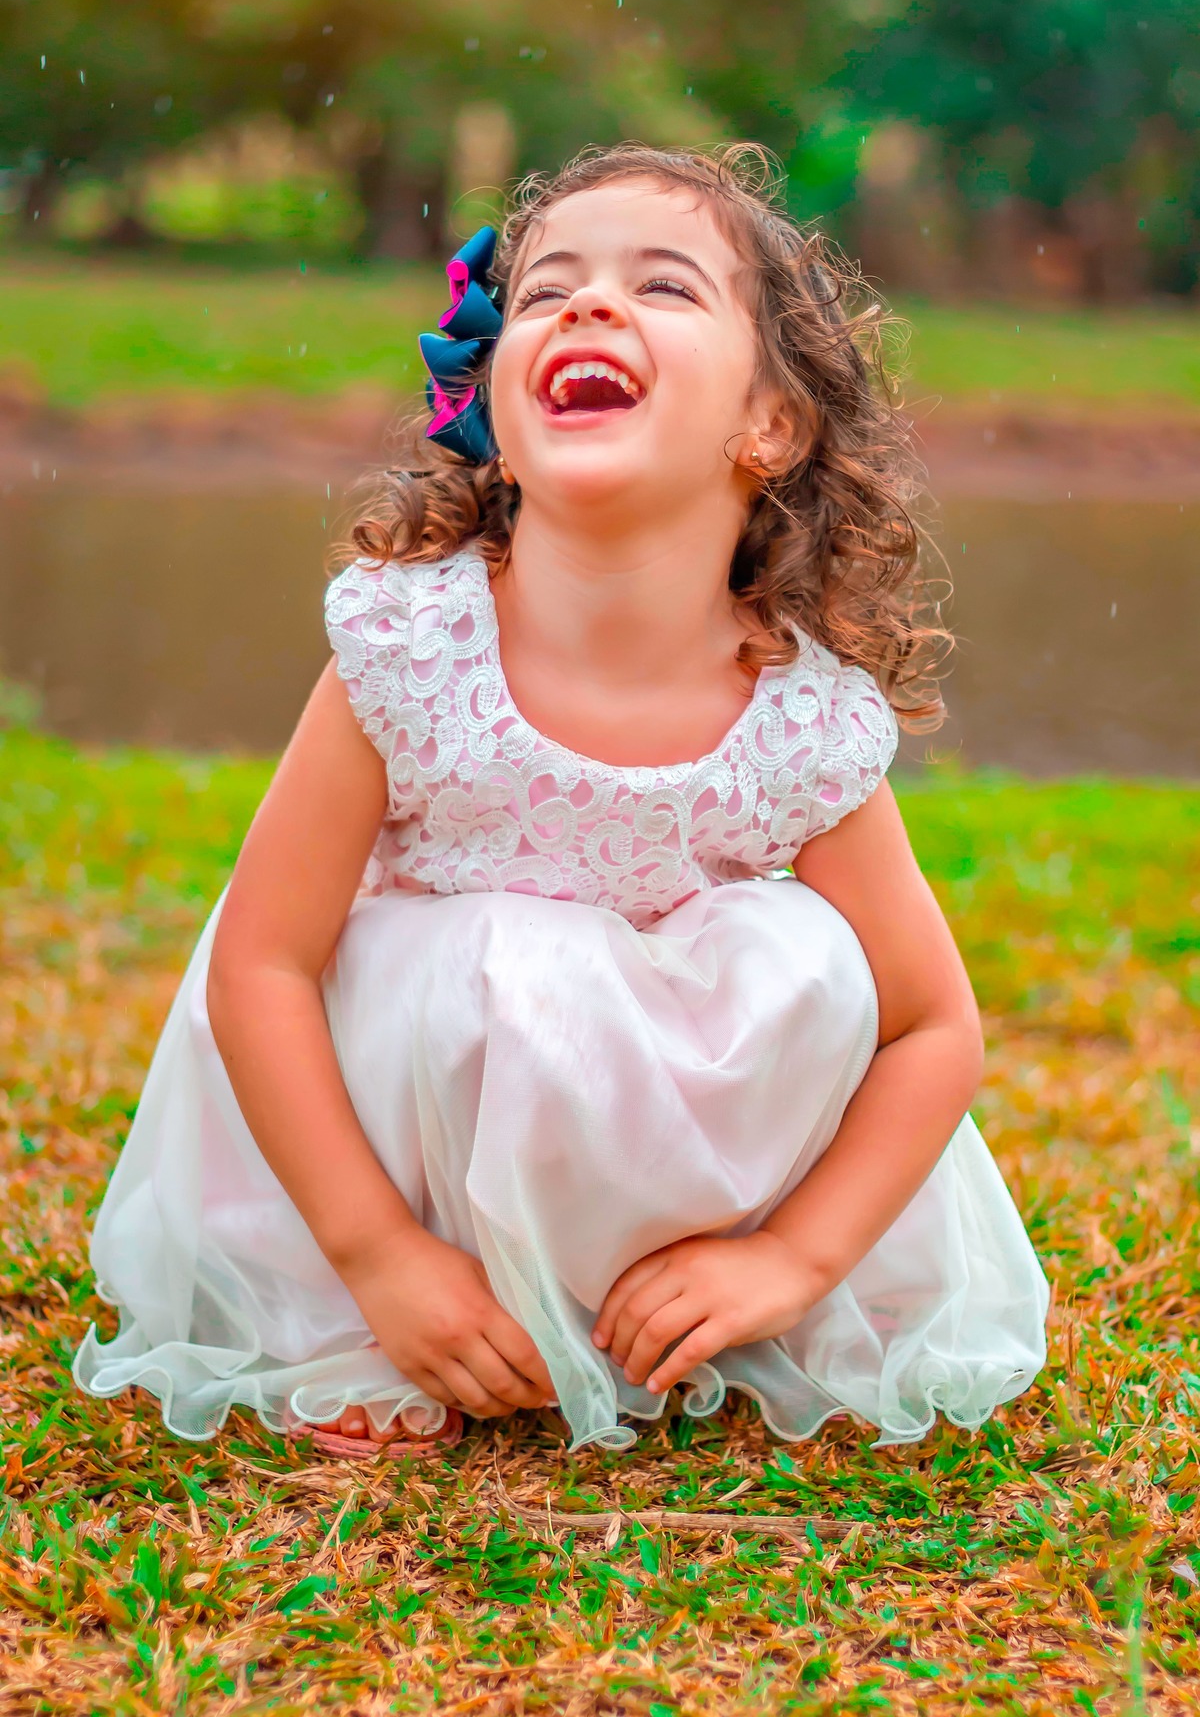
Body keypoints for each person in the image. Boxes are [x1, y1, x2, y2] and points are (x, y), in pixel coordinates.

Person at [74, 142, 1049, 1459]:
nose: (587, 308)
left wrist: (797, 1263)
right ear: (498, 415)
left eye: (663, 286)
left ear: (770, 424)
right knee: (479, 958)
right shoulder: (414, 652)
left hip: (624, 1143)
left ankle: (664, 1292)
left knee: (810, 959)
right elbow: (260, 967)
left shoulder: (798, 718)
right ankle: (392, 1315)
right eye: (545, 292)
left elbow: (934, 1028)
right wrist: (374, 1256)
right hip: (406, 1147)